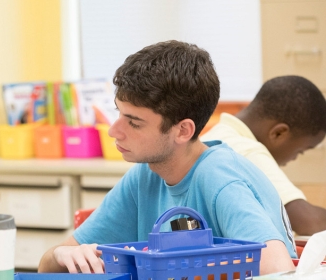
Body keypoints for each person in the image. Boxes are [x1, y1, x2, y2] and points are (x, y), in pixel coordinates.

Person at [37, 40, 296, 275]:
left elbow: (278, 269)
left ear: (183, 130)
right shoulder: (146, 174)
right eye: (119, 113)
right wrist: (63, 254)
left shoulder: (219, 177)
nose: (114, 131)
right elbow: (47, 266)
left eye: (134, 123)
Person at [201, 76, 326, 236]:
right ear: (279, 133)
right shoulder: (245, 149)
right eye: (300, 151)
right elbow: (309, 222)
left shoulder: (214, 137)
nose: (294, 159)